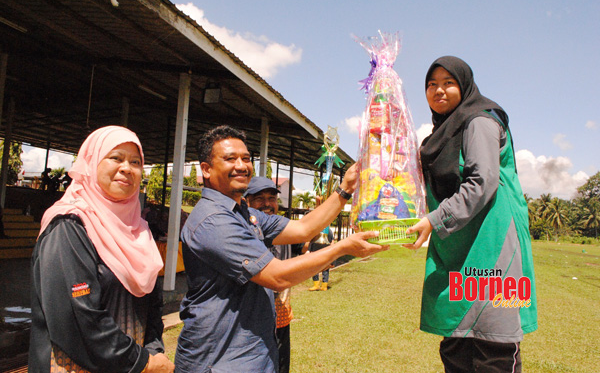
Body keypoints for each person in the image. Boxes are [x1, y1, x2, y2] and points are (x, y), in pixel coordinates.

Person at [175, 125, 388, 373]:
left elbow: (303, 229)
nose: (242, 165)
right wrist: (340, 248)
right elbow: (277, 276)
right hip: (220, 360)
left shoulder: (246, 214)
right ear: (206, 170)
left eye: (246, 158)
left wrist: (345, 188)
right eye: (230, 159)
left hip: (254, 353)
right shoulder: (212, 220)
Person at [405, 56, 537, 372]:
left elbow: (484, 181)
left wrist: (434, 220)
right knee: (457, 344)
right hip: (457, 249)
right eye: (431, 84)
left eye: (448, 82)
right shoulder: (437, 137)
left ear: (464, 85)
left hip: (494, 244)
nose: (438, 90)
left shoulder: (480, 120)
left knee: (495, 347)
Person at [29, 126, 175, 373]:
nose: (127, 168)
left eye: (135, 162)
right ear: (91, 163)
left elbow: (153, 307)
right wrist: (142, 362)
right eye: (115, 158)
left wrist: (153, 349)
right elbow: (77, 318)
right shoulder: (69, 227)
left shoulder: (139, 232)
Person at [245, 176, 292, 373]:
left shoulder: (285, 230)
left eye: (272, 198)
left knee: (281, 366)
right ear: (246, 202)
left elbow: (308, 240)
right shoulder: (243, 233)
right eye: (259, 198)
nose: (267, 204)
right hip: (252, 323)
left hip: (281, 317)